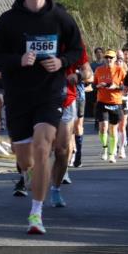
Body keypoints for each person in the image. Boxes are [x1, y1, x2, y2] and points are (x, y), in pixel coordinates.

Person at [0, 0, 83, 235]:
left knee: (43, 148)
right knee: (25, 159)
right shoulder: (8, 19)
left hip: (49, 92)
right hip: (18, 94)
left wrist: (62, 61)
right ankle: (30, 175)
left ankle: (36, 214)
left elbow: (78, 50)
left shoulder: (60, 18)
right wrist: (19, 60)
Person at [49, 50, 91, 207]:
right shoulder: (36, 34)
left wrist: (79, 76)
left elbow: (88, 71)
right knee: (44, 146)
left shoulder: (72, 39)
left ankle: (55, 189)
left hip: (66, 100)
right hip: (41, 100)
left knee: (61, 150)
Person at [94, 49, 127, 163]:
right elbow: (94, 85)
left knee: (113, 130)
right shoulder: (99, 70)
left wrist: (116, 87)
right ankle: (104, 148)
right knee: (103, 128)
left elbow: (126, 87)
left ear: (115, 59)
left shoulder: (120, 70)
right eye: (107, 57)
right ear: (104, 58)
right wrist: (98, 85)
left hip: (116, 103)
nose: (108, 59)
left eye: (111, 58)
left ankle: (112, 154)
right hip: (102, 102)